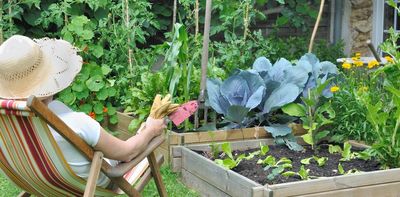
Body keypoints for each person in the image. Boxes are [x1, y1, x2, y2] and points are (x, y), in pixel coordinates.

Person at [0, 35, 167, 188]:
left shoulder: (7, 123)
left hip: (38, 181)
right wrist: (151, 130)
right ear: (48, 80)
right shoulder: (76, 123)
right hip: (93, 183)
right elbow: (127, 153)